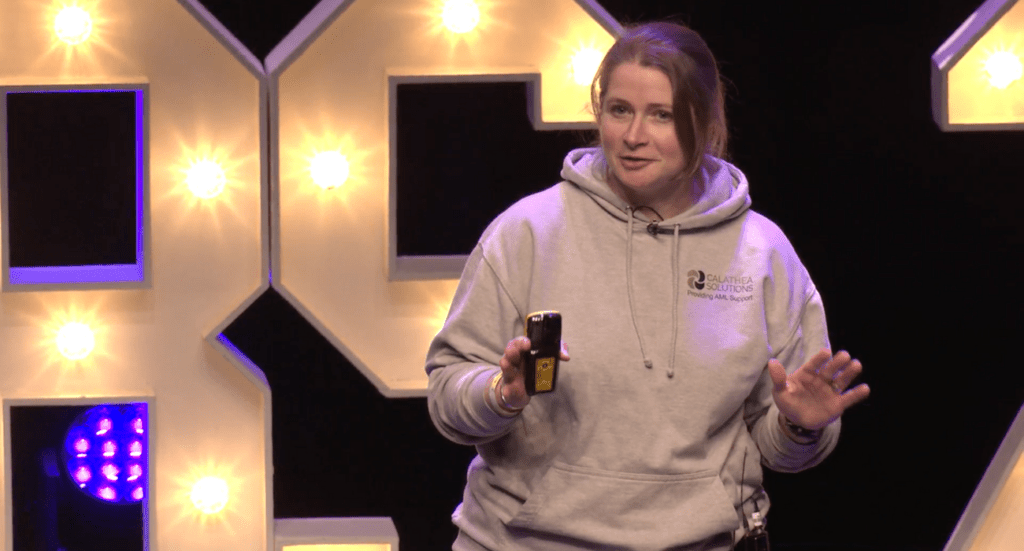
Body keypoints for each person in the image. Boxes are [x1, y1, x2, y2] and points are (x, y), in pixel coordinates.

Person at [425, 21, 870, 551]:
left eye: (661, 115)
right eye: (619, 110)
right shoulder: (527, 231)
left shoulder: (763, 253)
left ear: (703, 124)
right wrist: (501, 394)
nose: (634, 136)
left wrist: (800, 427)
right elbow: (447, 395)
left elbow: (780, 448)